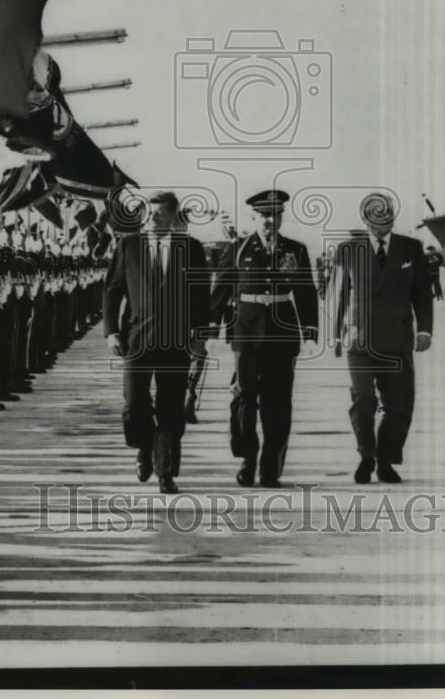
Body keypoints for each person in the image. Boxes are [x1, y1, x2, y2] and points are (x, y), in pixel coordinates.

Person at [210, 190, 318, 488]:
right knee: (244, 400)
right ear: (254, 217)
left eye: (277, 214)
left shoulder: (295, 250)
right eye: (265, 215)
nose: (271, 220)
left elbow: (306, 291)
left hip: (282, 334)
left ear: (282, 217)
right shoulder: (238, 248)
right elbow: (220, 290)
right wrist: (209, 328)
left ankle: (270, 469)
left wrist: (310, 329)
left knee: (278, 403)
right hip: (246, 332)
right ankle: (248, 456)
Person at [103, 192, 210, 494]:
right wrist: (111, 331)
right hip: (136, 340)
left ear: (174, 216)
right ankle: (143, 445)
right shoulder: (129, 246)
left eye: (160, 214)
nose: (152, 218)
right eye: (149, 213)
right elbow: (112, 291)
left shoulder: (191, 249)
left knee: (171, 407)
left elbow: (201, 297)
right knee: (134, 403)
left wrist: (200, 337)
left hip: (176, 343)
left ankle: (166, 472)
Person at [334, 192, 433, 484]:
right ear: (365, 221)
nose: (383, 228)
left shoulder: (411, 248)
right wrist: (335, 335)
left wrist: (425, 329)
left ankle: (387, 460)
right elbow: (339, 295)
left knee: (399, 405)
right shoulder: (347, 249)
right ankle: (366, 455)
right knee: (363, 401)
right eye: (377, 224)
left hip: (398, 339)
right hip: (360, 341)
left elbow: (423, 293)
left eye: (388, 222)